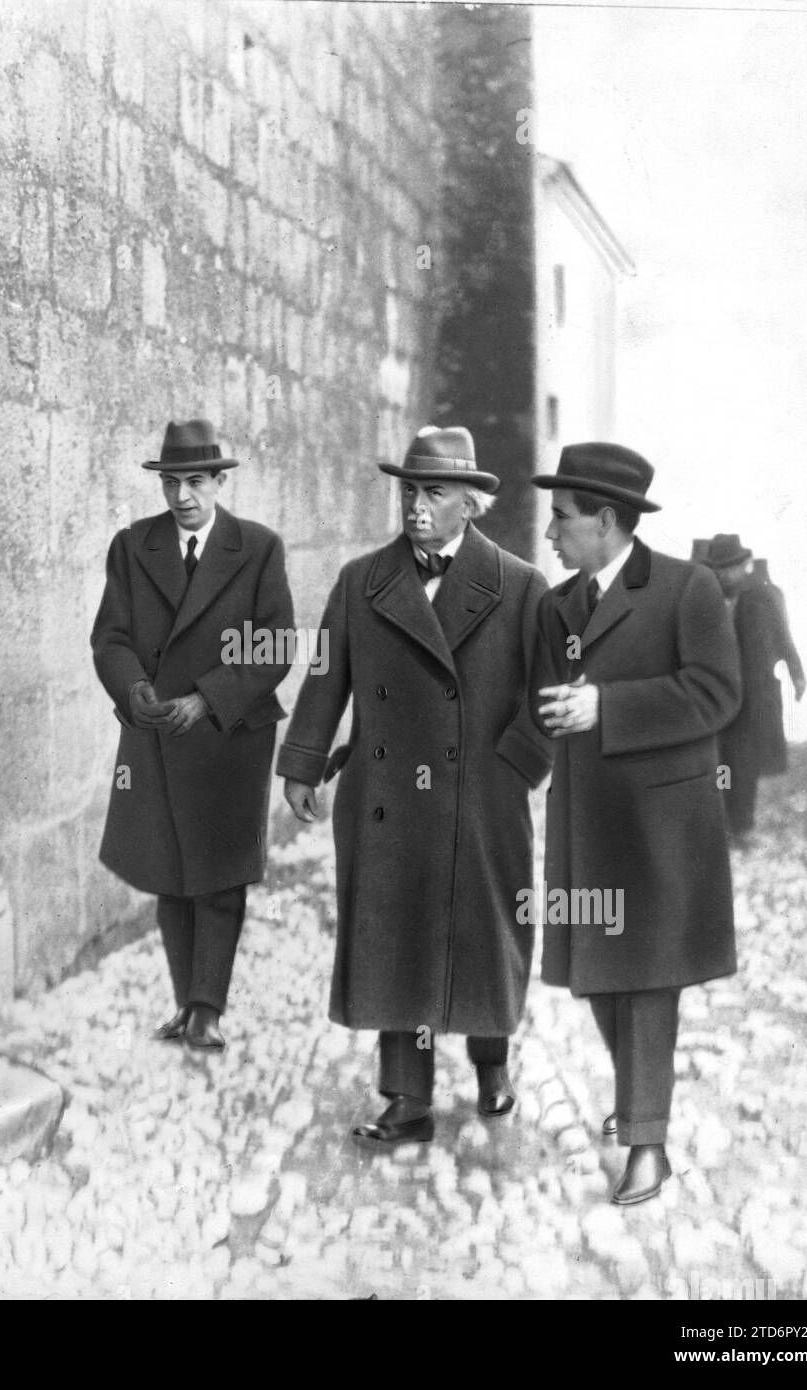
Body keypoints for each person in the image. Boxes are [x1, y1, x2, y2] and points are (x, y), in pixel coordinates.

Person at [279, 426, 553, 1148]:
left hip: (481, 802)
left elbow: (549, 698)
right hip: (387, 799)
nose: (415, 507)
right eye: (408, 491)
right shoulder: (361, 581)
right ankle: (406, 1099)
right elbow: (325, 676)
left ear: (472, 505)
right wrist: (303, 762)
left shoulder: (521, 587)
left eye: (433, 493)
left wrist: (513, 770)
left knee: (486, 936)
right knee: (395, 940)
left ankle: (491, 1067)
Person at [530, 444, 741, 1204]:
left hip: (658, 824)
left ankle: (645, 1142)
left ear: (607, 521)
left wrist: (606, 707)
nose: (550, 534)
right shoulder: (560, 604)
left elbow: (717, 694)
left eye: (562, 520)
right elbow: (543, 699)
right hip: (586, 821)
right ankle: (639, 1105)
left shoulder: (687, 590)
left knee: (647, 981)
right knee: (593, 980)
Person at [91, 419, 294, 1051]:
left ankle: (208, 1007)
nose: (183, 497)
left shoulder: (257, 548)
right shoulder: (133, 547)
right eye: (172, 483)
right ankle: (185, 1003)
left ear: (219, 482)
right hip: (155, 731)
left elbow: (275, 645)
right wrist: (135, 692)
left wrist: (206, 698)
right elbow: (111, 638)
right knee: (167, 873)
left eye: (196, 482)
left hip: (227, 733)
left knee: (218, 876)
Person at [703, 535, 806, 840]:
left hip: (753, 696)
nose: (723, 575)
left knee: (744, 766)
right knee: (722, 763)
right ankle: (725, 822)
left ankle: (742, 825)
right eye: (718, 569)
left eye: (729, 568)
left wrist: (797, 673)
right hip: (721, 696)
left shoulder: (761, 597)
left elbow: (783, 636)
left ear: (743, 566)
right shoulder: (709, 599)